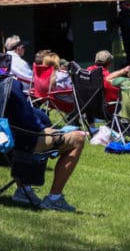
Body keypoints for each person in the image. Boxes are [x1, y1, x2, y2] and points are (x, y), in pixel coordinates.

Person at [2, 63, 86, 211]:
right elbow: (27, 120)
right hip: (14, 144)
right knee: (78, 139)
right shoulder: (9, 84)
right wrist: (44, 126)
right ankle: (54, 198)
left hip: (6, 142)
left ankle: (24, 190)